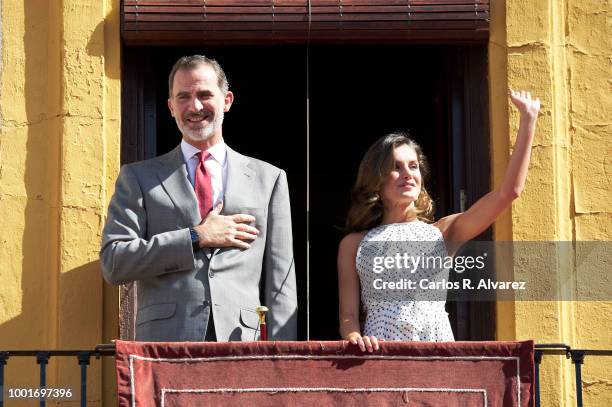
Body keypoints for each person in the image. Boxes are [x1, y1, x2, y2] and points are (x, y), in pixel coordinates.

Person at [101, 55, 297, 342]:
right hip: (165, 343)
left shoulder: (269, 178)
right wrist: (196, 236)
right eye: (183, 97)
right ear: (170, 106)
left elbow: (281, 284)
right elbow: (114, 262)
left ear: (227, 100)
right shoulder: (138, 178)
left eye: (205, 95)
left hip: (241, 342)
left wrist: (283, 360)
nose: (194, 107)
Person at [338, 90, 540, 351]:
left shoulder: (443, 232)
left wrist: (528, 119)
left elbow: (508, 192)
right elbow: (348, 316)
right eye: (396, 166)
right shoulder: (354, 244)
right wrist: (355, 337)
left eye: (413, 166)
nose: (407, 174)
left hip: (435, 350)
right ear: (376, 178)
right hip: (380, 355)